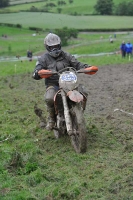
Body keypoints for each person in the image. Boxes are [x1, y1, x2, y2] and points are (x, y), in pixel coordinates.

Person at [32, 33, 90, 130]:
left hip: (68, 83)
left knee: (83, 91)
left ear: (60, 45)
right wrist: (38, 73)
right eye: (52, 47)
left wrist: (86, 67)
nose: (55, 49)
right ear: (47, 47)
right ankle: (51, 119)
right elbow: (36, 71)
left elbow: (77, 64)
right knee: (50, 98)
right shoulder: (43, 59)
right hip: (53, 84)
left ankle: (79, 112)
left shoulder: (66, 55)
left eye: (57, 46)